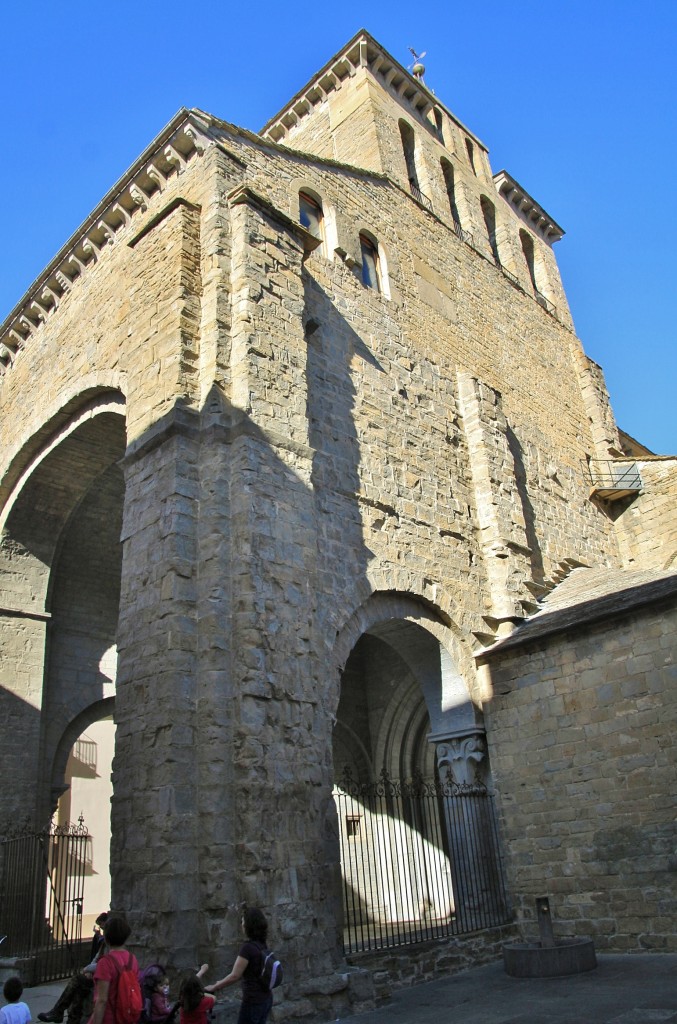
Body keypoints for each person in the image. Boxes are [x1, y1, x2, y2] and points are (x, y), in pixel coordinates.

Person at [204, 908, 273, 1024]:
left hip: (253, 1001)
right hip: (266, 998)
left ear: (248, 925)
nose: (242, 925)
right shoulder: (262, 945)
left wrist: (215, 986)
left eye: (243, 921)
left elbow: (235, 975)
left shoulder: (248, 948)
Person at [38, 913, 109, 1024]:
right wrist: (89, 970)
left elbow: (103, 964)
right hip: (95, 975)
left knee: (77, 980)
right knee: (79, 990)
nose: (101, 928)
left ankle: (59, 1011)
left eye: (102, 926)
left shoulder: (109, 946)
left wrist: (87, 969)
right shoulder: (104, 943)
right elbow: (96, 959)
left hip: (101, 978)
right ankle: (70, 1018)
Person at [89, 914, 138, 1024]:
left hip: (109, 1017)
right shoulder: (132, 959)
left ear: (106, 938)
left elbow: (102, 1000)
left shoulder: (105, 963)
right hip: (126, 1016)